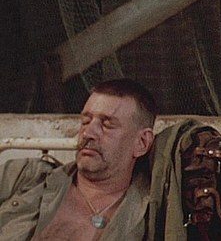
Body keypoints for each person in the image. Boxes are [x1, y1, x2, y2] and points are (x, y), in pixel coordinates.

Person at [0, 78, 157, 240]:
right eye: (85, 121)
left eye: (107, 125)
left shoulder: (151, 214)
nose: (88, 133)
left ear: (142, 143)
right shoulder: (27, 176)